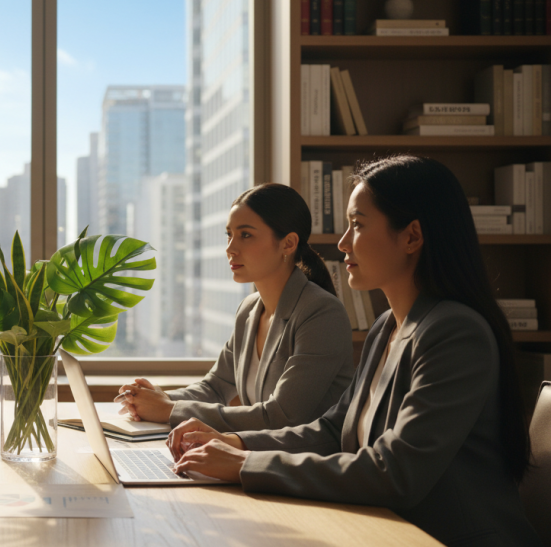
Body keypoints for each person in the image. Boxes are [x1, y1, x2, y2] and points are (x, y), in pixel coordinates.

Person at [169, 156, 541, 546]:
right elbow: (333, 429)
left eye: (358, 225)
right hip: (386, 530)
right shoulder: (386, 328)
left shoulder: (455, 333)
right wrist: (239, 443)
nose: (343, 242)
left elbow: (394, 473)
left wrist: (246, 464)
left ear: (412, 236)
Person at [118, 183, 354, 433]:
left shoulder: (321, 313)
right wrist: (155, 400)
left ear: (288, 244)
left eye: (246, 235)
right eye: (229, 235)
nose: (230, 248)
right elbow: (215, 388)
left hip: (306, 464)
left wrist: (168, 410)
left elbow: (281, 416)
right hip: (254, 453)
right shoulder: (249, 309)